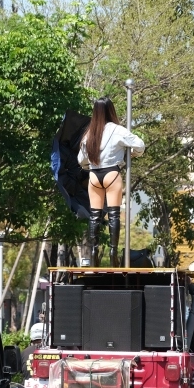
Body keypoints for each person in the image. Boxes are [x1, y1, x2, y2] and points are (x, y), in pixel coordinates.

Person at [78, 97, 145, 267]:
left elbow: (81, 160)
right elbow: (140, 145)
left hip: (94, 176)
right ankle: (113, 252)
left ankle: (94, 252)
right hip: (111, 174)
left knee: (94, 216)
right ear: (111, 110)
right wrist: (131, 154)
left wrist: (89, 164)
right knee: (114, 214)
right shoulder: (118, 130)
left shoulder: (89, 133)